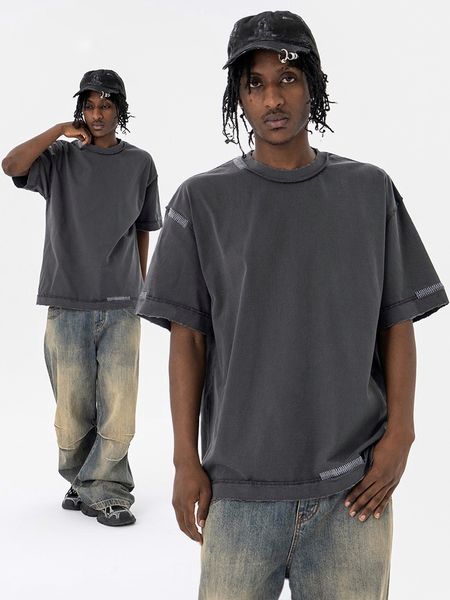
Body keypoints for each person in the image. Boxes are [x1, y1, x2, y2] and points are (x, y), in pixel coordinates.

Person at [136, 10, 448, 599]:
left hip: (352, 490)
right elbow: (188, 340)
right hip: (239, 489)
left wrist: (401, 435)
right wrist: (184, 460)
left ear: (313, 86)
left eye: (288, 79)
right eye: (254, 84)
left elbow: (397, 322)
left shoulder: (368, 191)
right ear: (238, 97)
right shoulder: (201, 201)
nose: (273, 99)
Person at [2, 69, 162, 527]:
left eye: (106, 105)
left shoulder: (140, 163)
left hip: (121, 304)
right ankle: (84, 480)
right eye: (89, 106)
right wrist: (57, 130)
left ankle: (108, 490)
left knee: (119, 408)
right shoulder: (58, 159)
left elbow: (142, 230)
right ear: (80, 111)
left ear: (119, 110)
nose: (97, 114)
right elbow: (11, 165)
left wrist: (141, 289)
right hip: (67, 300)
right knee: (71, 411)